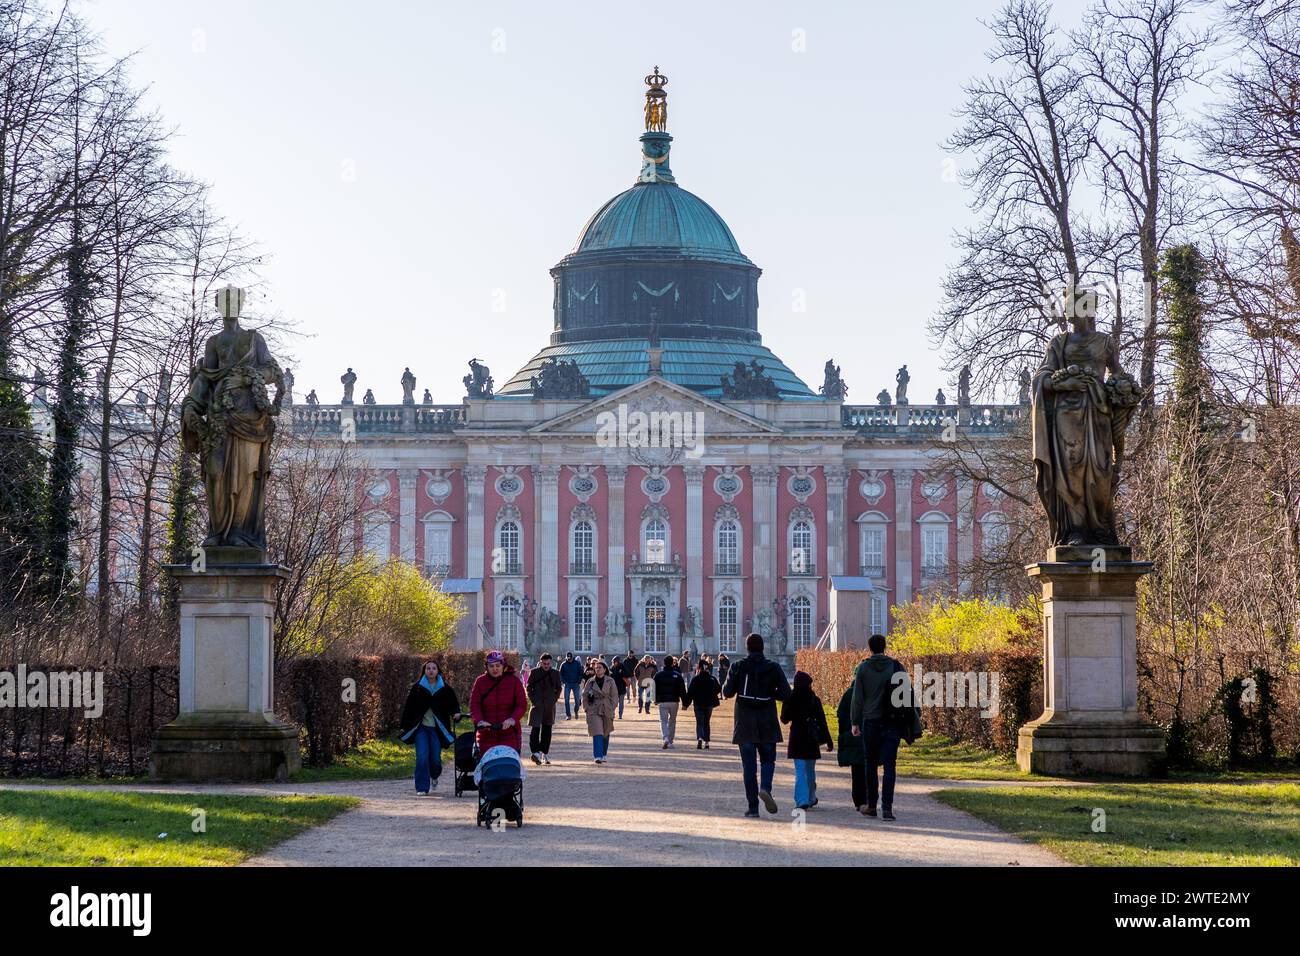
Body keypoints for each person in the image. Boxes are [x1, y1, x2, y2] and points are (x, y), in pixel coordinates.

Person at [850, 634, 919, 821]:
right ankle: (887, 808)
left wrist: (854, 722)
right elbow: (908, 693)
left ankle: (872, 805)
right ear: (885, 647)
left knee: (870, 764)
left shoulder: (863, 668)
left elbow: (857, 699)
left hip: (870, 721)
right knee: (890, 765)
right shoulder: (896, 666)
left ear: (870, 648)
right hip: (892, 722)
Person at [723, 633, 792, 817]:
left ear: (747, 648)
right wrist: (770, 694)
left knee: (749, 767)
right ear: (763, 648)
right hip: (767, 720)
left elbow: (728, 692)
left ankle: (753, 808)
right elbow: (786, 693)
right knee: (768, 760)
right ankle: (766, 789)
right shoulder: (773, 667)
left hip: (745, 722)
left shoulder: (738, 666)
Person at [399, 660, 461, 795]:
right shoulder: (417, 687)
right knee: (422, 757)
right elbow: (409, 707)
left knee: (435, 760)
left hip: (437, 729)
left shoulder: (445, 688)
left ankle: (434, 775)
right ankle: (422, 787)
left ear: (438, 671)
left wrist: (456, 713)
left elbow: (453, 704)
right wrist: (404, 725)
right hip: (421, 728)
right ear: (424, 671)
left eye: (434, 668)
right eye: (428, 668)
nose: (431, 670)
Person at [781, 671, 833, 810]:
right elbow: (822, 720)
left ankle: (802, 800)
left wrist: (786, 703)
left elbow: (784, 719)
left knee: (800, 771)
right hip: (811, 738)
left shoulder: (791, 697)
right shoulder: (813, 699)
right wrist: (828, 740)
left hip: (797, 736)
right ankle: (810, 798)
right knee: (810, 771)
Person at [469, 651, 526, 754]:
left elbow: (521, 705)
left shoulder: (514, 681)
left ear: (503, 665)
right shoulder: (480, 682)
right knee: (487, 766)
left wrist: (512, 719)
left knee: (508, 764)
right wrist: (479, 721)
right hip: (486, 734)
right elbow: (474, 705)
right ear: (486, 667)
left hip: (510, 733)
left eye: (497, 665)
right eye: (491, 666)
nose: (495, 669)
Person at [835, 682, 868, 813]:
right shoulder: (870, 693)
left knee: (856, 771)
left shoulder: (849, 693)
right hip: (868, 735)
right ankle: (868, 799)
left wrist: (844, 733)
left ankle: (858, 800)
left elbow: (841, 715)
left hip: (852, 736)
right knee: (868, 769)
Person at [527, 652, 562, 765]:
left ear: (550, 663)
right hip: (537, 705)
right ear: (541, 662)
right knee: (535, 730)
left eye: (548, 663)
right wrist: (533, 700)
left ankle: (544, 753)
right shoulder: (534, 672)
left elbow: (559, 688)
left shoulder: (555, 673)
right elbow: (529, 687)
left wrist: (554, 700)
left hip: (549, 706)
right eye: (544, 663)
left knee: (547, 731)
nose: (546, 665)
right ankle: (535, 752)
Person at [583, 658, 620, 763]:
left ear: (605, 669)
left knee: (606, 733)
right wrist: (586, 708)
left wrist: (612, 706)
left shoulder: (610, 681)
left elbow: (614, 695)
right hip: (594, 709)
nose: (597, 669)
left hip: (607, 708)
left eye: (600, 668)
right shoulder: (590, 681)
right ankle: (597, 756)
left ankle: (603, 754)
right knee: (597, 732)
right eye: (596, 668)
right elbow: (584, 696)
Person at [683, 659, 722, 749]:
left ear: (698, 668)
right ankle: (707, 741)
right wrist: (712, 693)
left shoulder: (696, 679)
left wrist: (686, 704)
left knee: (699, 722)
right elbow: (718, 689)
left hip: (698, 703)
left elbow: (690, 693)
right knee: (706, 722)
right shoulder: (712, 678)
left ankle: (700, 738)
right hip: (709, 704)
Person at [652, 655, 689, 749]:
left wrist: (655, 699)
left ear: (664, 663)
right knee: (672, 721)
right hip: (674, 701)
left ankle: (665, 738)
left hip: (663, 701)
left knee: (663, 721)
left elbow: (653, 688)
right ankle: (670, 741)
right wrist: (685, 703)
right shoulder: (677, 675)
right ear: (673, 663)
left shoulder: (659, 675)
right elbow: (682, 690)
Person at [559, 651, 584, 720]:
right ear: (566, 658)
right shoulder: (563, 664)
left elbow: (581, 672)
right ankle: (568, 715)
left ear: (572, 657)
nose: (569, 660)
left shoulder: (577, 663)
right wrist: (564, 681)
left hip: (576, 684)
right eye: (568, 658)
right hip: (567, 684)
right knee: (566, 700)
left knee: (577, 701)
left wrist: (579, 681)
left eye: (570, 658)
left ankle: (576, 711)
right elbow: (560, 674)